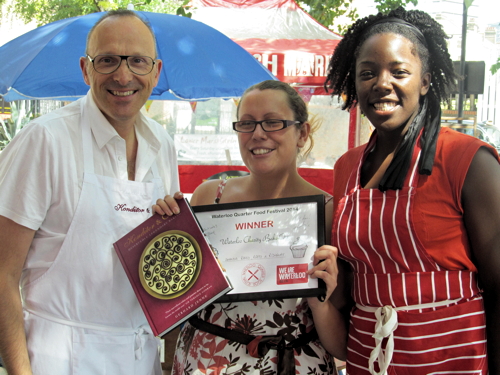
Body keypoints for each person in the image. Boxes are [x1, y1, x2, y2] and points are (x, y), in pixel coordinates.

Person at [0, 9, 179, 375]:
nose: (123, 75)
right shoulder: (44, 141)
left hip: (139, 357)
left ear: (156, 72)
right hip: (56, 359)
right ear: (85, 69)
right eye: (108, 60)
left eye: (138, 61)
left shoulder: (163, 144)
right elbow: (2, 272)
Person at [324, 7, 500, 374]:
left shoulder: (468, 160)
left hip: (452, 359)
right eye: (367, 73)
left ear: (425, 81)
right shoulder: (346, 167)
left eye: (399, 71)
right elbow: (347, 282)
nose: (381, 83)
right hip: (368, 356)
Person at [154, 80, 349, 374]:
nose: (258, 134)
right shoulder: (211, 196)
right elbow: (172, 298)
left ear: (302, 132)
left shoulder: (329, 213)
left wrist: (319, 302)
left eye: (273, 122)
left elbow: (341, 346)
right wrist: (164, 239)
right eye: (246, 124)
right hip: (206, 363)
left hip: (293, 365)